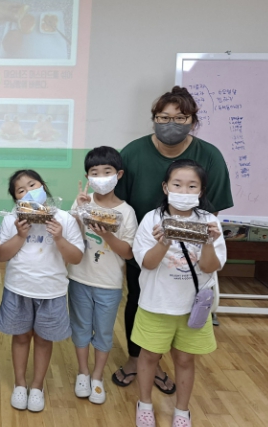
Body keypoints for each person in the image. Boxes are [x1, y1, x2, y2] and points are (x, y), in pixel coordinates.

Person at [113, 86, 233, 393]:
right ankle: (138, 359)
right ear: (154, 118)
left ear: (193, 120)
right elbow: (120, 203)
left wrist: (196, 238)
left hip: (192, 251)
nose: (171, 124)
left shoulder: (209, 155)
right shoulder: (134, 153)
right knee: (139, 298)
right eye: (164, 117)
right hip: (146, 243)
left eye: (180, 118)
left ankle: (165, 362)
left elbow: (213, 209)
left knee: (182, 307)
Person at [132, 160, 225, 427]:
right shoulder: (152, 219)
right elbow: (148, 263)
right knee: (149, 356)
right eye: (177, 184)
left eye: (192, 186)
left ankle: (182, 411)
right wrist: (164, 242)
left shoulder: (209, 222)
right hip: (156, 303)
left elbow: (209, 266)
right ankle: (145, 404)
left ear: (201, 190)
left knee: (185, 359)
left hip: (193, 307)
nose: (184, 191)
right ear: (165, 187)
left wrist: (209, 242)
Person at [0, 170, 84, 412]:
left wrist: (59, 238)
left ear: (43, 186)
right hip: (18, 288)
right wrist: (20, 235)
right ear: (16, 199)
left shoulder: (63, 219)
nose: (28, 192)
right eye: (21, 191)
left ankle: (37, 386)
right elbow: (1, 256)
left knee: (44, 340)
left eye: (32, 185)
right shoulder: (12, 219)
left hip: (52, 291)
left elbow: (76, 258)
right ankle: (20, 384)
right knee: (21, 337)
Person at [68, 147, 138, 404]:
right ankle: (83, 373)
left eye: (106, 172)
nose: (100, 177)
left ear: (118, 175)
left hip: (109, 284)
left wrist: (107, 234)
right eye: (94, 172)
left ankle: (97, 376)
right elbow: (72, 239)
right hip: (79, 278)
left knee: (104, 332)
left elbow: (128, 252)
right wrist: (79, 212)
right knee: (80, 328)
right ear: (87, 177)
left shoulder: (127, 212)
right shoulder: (82, 202)